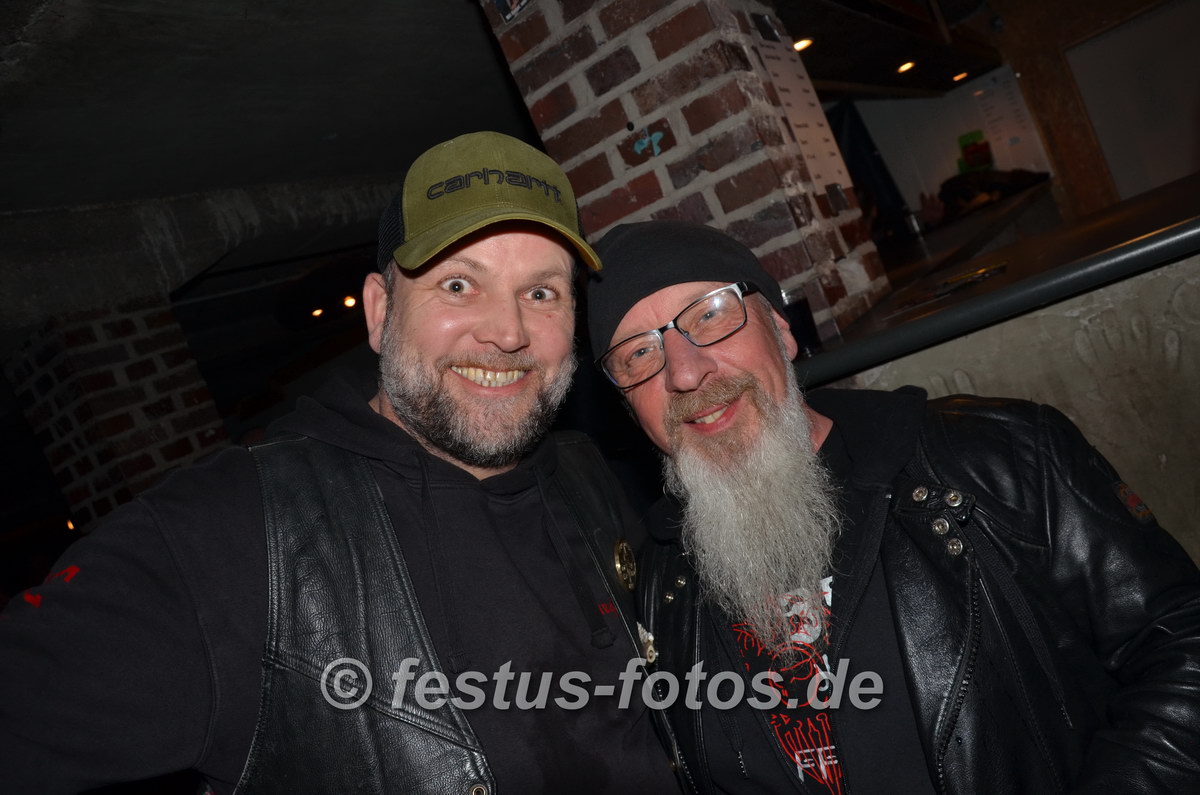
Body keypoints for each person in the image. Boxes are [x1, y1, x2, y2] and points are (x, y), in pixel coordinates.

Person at [0, 132, 680, 794]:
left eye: (541, 293)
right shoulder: (231, 533)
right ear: (380, 312)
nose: (507, 332)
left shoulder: (588, 474)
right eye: (457, 284)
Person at [585, 220, 1200, 794]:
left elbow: (1181, 646)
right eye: (638, 354)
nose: (685, 373)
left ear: (780, 329)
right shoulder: (658, 584)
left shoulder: (1001, 458)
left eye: (710, 315)